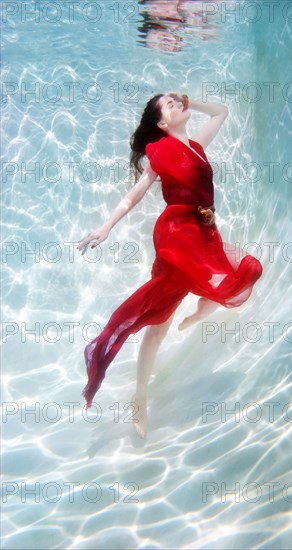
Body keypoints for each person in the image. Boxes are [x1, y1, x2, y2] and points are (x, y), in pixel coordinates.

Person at [77, 92, 263, 438]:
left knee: (247, 270)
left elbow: (221, 111)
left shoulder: (195, 145)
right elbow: (135, 193)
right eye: (169, 105)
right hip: (177, 235)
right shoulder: (158, 153)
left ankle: (199, 311)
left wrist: (189, 99)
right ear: (162, 123)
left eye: (176, 101)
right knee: (159, 323)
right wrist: (106, 226)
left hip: (205, 233)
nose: (177, 104)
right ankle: (140, 396)